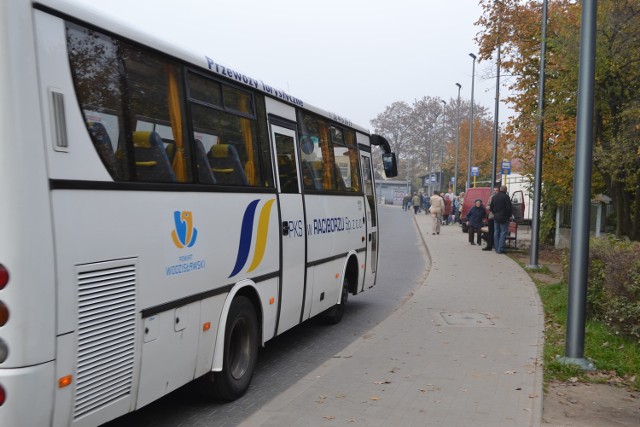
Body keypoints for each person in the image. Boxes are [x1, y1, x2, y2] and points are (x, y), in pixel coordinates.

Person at [490, 185, 512, 254]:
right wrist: (508, 216)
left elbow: (491, 207)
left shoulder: (494, 197)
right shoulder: (506, 197)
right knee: (503, 233)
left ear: (500, 189)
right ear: (506, 190)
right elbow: (509, 208)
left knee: (496, 232)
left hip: (496, 217)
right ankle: (501, 249)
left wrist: (495, 213)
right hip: (504, 217)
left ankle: (496, 248)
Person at [482, 187, 500, 251]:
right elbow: (487, 205)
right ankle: (489, 245)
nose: (495, 191)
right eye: (494, 190)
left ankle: (496, 245)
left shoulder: (501, 198)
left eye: (497, 190)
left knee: (497, 231)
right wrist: (490, 208)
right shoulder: (491, 197)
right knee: (491, 232)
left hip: (498, 217)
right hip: (491, 216)